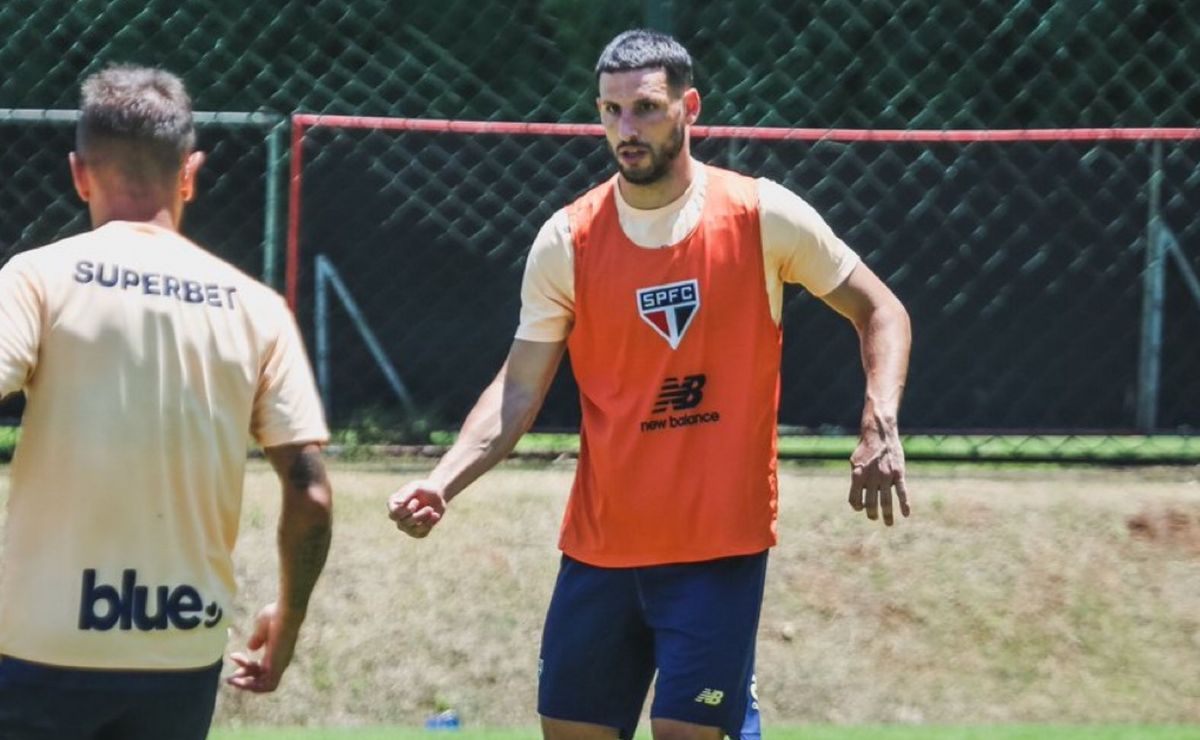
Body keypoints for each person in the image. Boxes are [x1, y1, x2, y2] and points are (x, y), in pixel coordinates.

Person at [388, 29, 911, 740]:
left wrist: (880, 421)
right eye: (610, 111)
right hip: (600, 553)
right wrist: (443, 480)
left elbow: (881, 310)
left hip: (717, 551)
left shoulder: (762, 215)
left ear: (689, 107)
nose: (625, 130)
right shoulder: (567, 240)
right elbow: (518, 388)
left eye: (644, 109)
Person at [0, 65, 332, 739]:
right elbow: (312, 493)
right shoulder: (258, 309)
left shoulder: (38, 278)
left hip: (42, 647)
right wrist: (289, 618)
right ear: (190, 171)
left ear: (78, 173)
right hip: (181, 653)